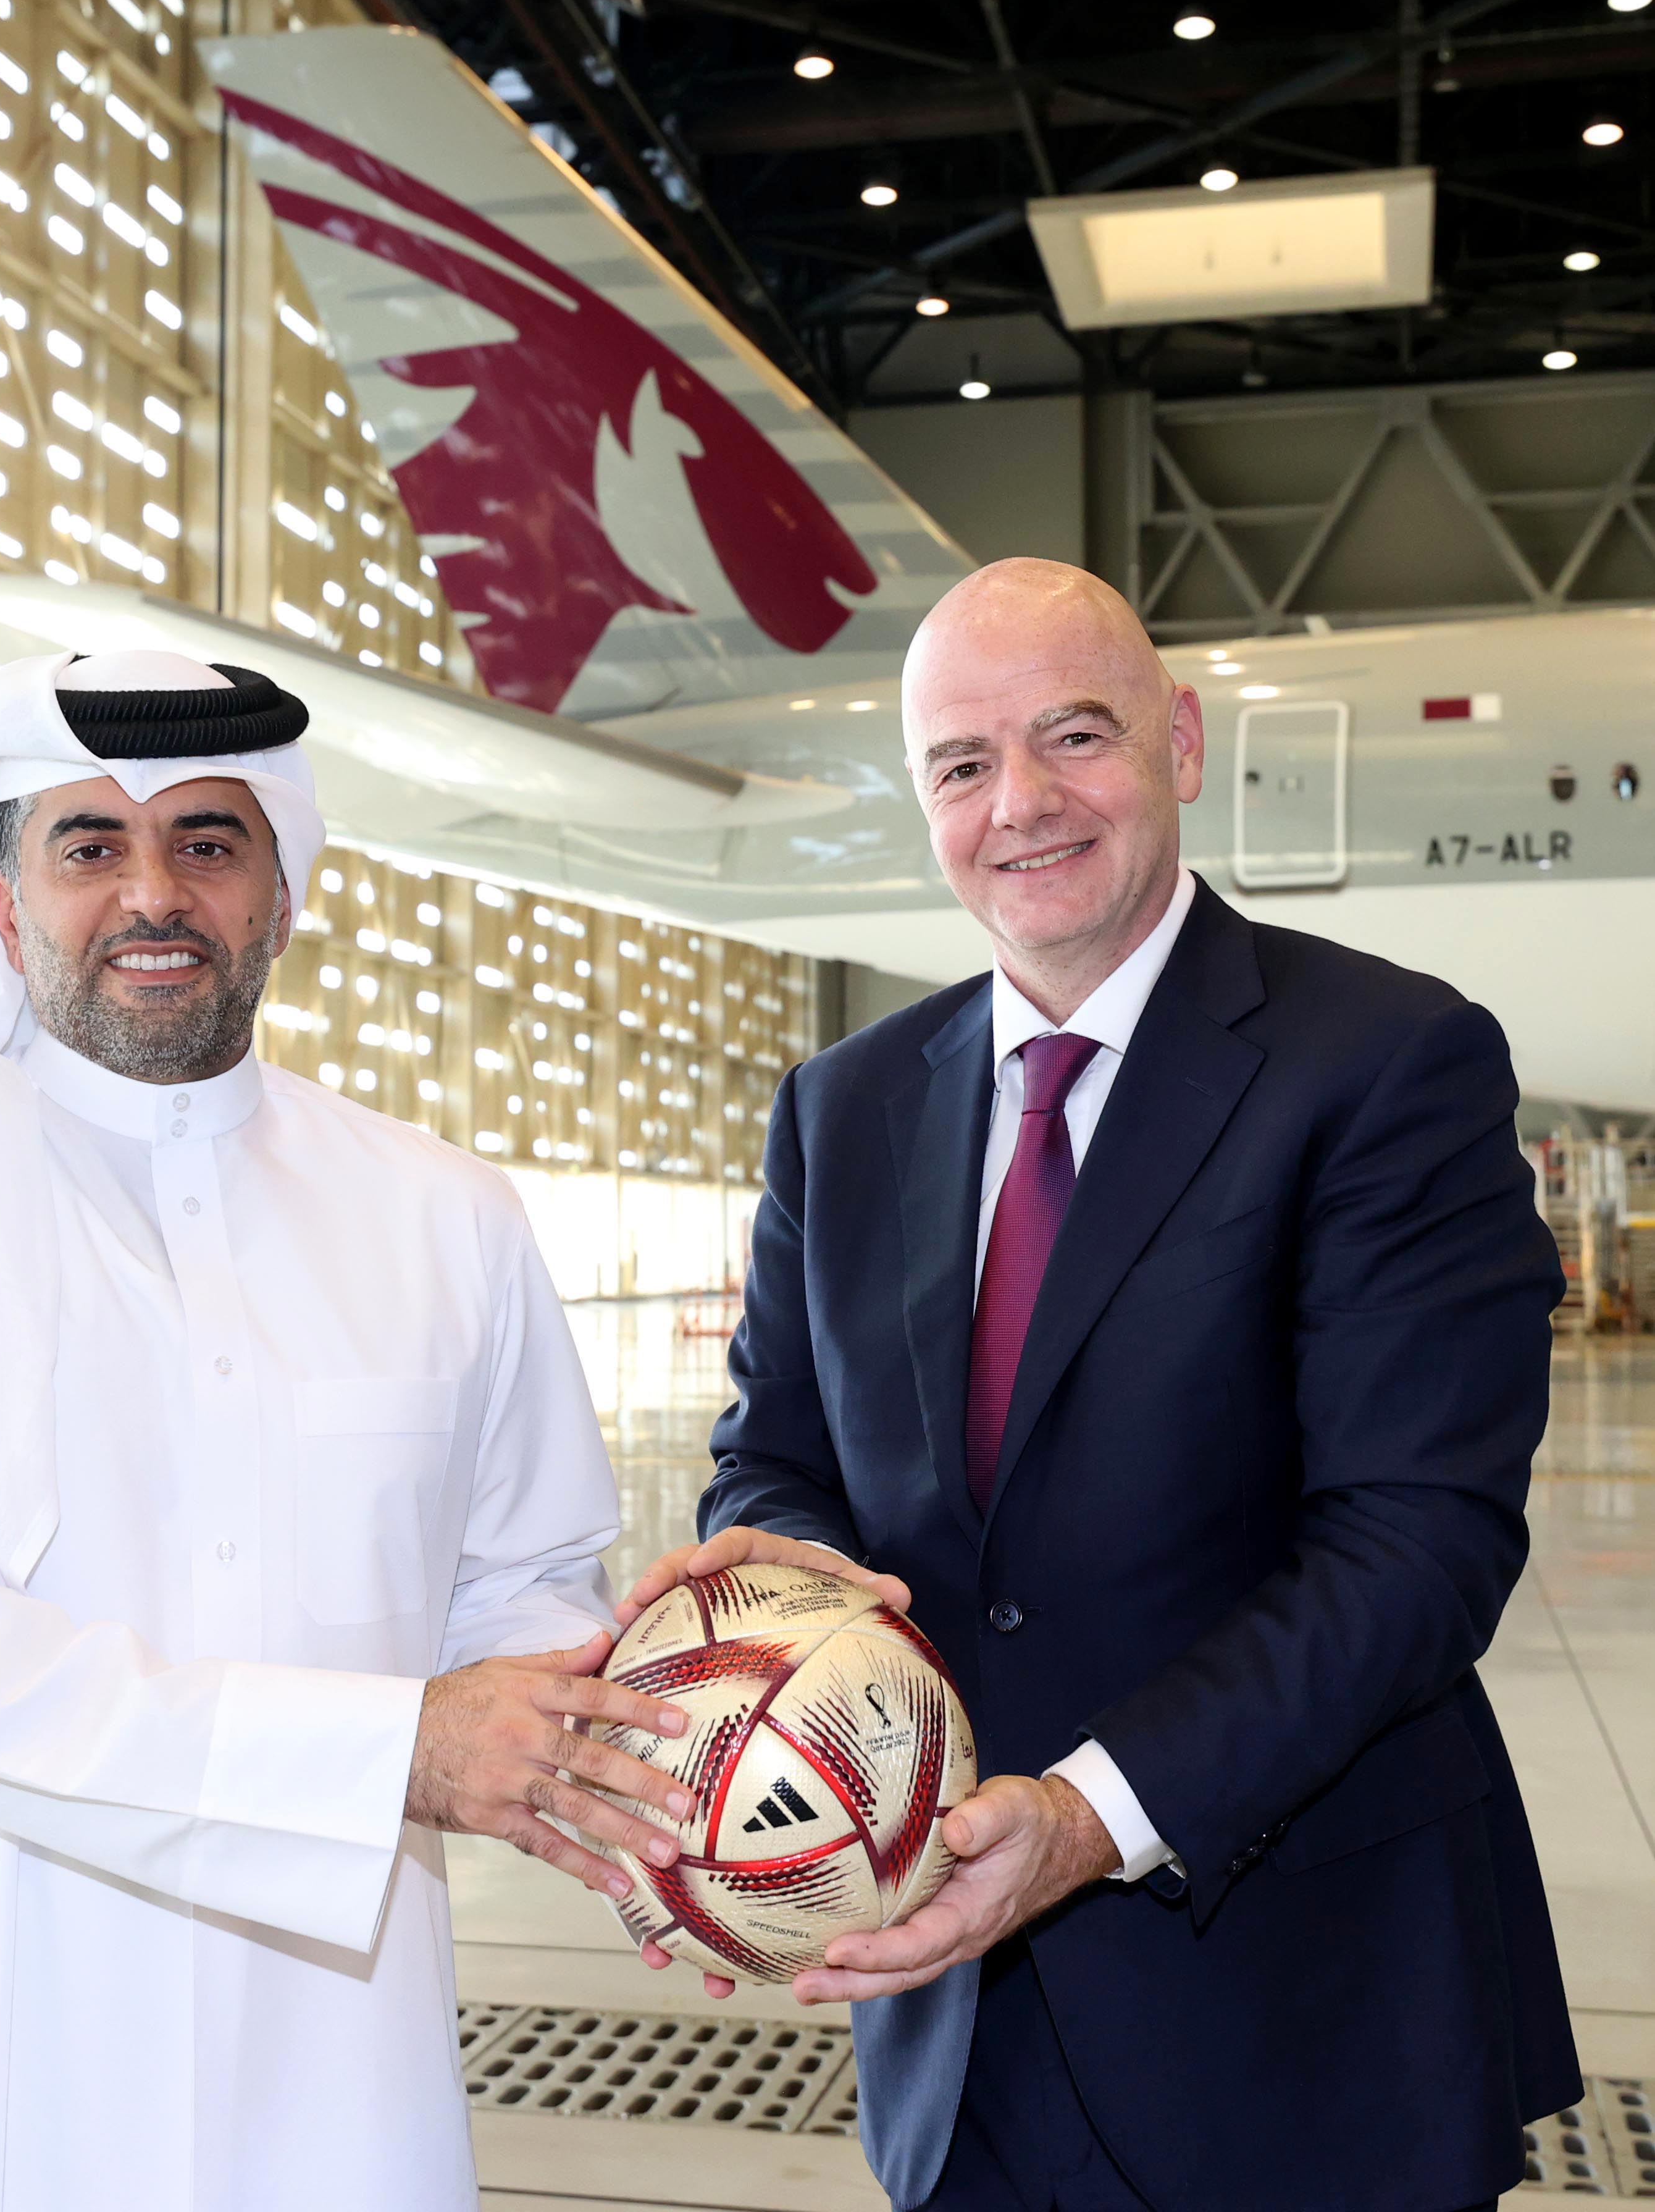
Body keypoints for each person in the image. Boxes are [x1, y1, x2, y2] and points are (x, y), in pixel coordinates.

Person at [618, 561, 1577, 2211]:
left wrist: (1082, 1819)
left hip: (1297, 2019)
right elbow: (775, 1458)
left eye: (1074, 736)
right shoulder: (842, 1109)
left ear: (1179, 744)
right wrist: (788, 1641)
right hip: (954, 2033)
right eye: (962, 763)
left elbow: (1416, 1546)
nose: (1020, 804)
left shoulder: (1384, 1061)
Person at [0, 647, 697, 2212]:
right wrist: (397, 1753)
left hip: (334, 2088)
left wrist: (699, 1683)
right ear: (3, 908)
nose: (153, 893)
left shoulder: (446, 1217)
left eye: (207, 841)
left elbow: (522, 1593)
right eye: (90, 846)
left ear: (281, 894)